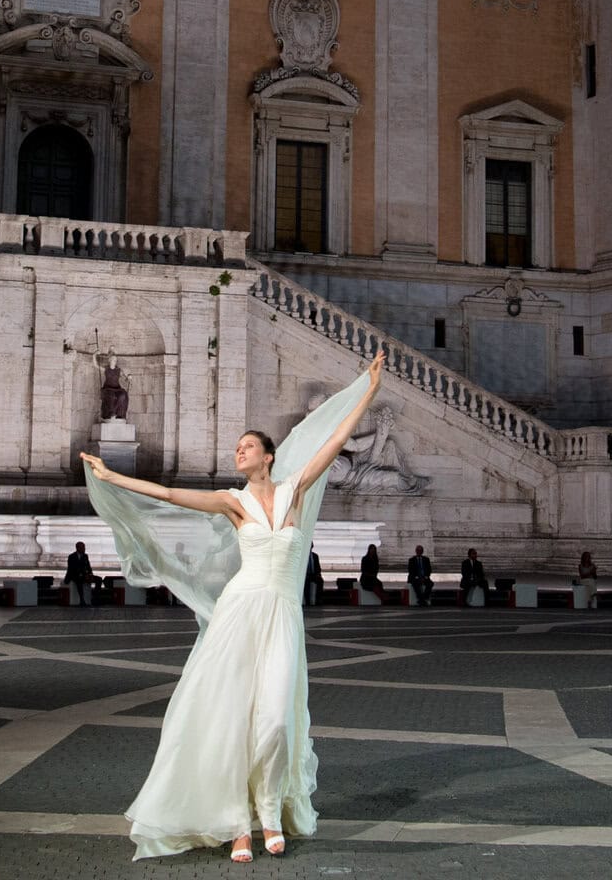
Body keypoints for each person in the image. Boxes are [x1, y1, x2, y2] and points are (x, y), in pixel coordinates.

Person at [80, 351, 385, 861]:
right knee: (229, 719)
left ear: (268, 456)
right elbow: (168, 494)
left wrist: (367, 391)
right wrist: (111, 478)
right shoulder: (231, 501)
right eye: (238, 448)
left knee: (277, 721)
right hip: (241, 612)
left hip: (283, 615)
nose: (239, 452)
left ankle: (270, 808)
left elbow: (333, 442)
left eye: (247, 447)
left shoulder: (294, 489)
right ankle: (240, 823)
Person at [64, 540, 95, 608]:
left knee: (99, 579)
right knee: (79, 580)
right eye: (82, 547)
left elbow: (88, 567)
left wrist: (90, 574)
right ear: (77, 548)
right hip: (75, 575)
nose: (84, 549)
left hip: (84, 575)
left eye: (84, 547)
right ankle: (82, 599)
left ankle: (95, 599)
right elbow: (72, 569)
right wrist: (82, 574)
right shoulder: (72, 556)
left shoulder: (85, 556)